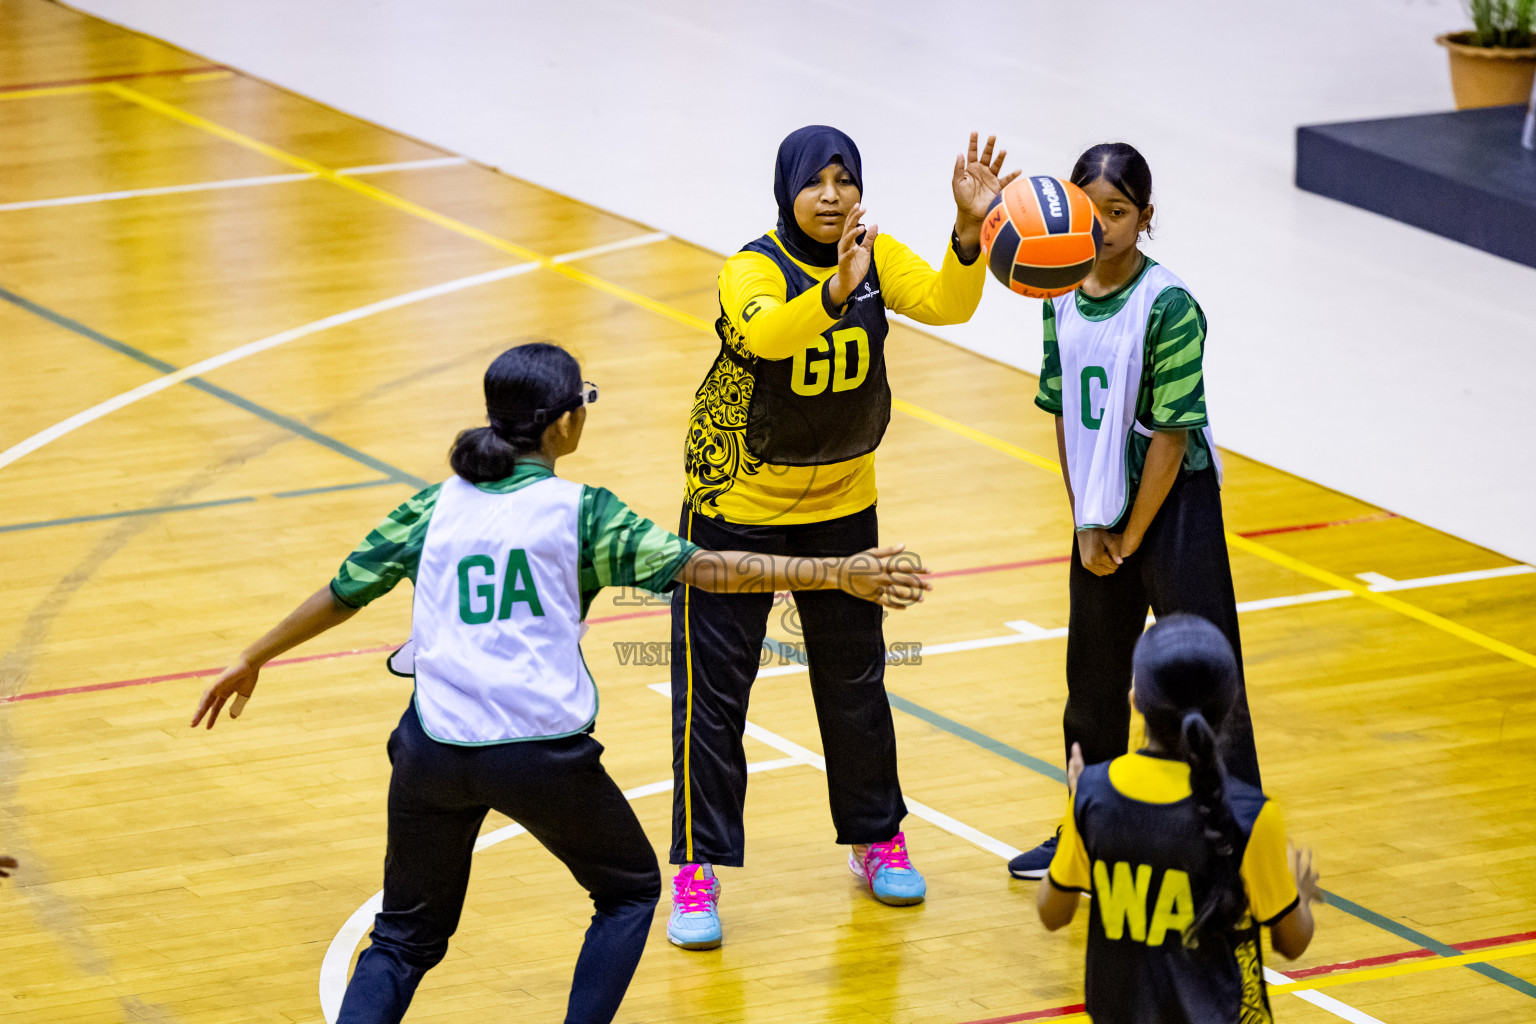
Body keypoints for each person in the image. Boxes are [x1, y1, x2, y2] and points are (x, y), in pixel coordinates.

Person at [190, 343, 929, 1024]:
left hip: (431, 750)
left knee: (404, 941)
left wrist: (254, 655)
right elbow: (713, 568)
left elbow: (346, 589)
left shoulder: (433, 506)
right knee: (631, 891)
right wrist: (835, 571)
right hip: (537, 753)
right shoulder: (584, 515)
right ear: (567, 422)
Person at [669, 125, 1016, 949]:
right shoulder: (749, 268)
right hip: (736, 509)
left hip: (841, 508)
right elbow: (766, 336)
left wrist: (968, 233)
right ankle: (694, 871)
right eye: (815, 181)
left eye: (844, 179)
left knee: (855, 686)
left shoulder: (877, 253)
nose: (831, 195)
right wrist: (832, 294)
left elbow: (948, 303)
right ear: (787, 188)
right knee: (712, 702)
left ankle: (876, 837)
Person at [1009, 142, 1263, 879]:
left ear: (1146, 218)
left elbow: (1172, 430)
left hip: (1171, 505)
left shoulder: (1170, 305)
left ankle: (1233, 838)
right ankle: (1087, 835)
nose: (1104, 226)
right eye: (1091, 212)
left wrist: (1130, 533)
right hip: (1101, 511)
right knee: (1090, 679)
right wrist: (1086, 519)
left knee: (1205, 670)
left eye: (1118, 212)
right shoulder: (1057, 292)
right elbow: (1062, 413)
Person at [1036, 614, 1320, 1024]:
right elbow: (1292, 942)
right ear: (1229, 705)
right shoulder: (1252, 814)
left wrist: (1078, 811)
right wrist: (1300, 892)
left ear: (1135, 700)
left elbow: (1052, 913)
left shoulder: (1095, 794)